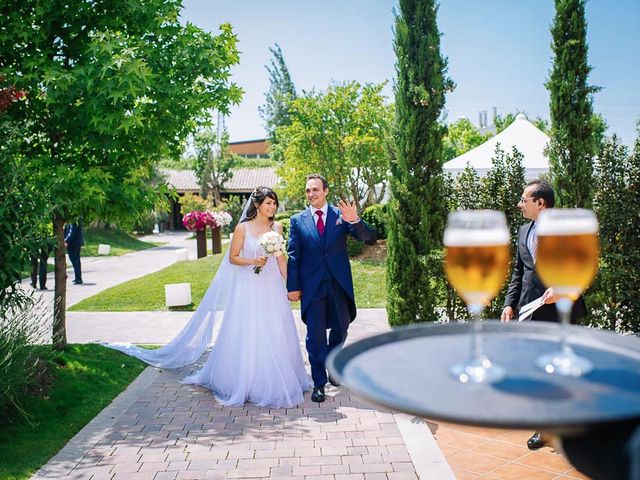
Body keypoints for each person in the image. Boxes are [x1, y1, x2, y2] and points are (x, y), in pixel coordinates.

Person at [104, 187, 310, 409]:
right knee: (250, 330)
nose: (272, 207)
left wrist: (290, 285)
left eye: (274, 203)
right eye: (268, 203)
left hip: (271, 287)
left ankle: (277, 377)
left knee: (275, 329)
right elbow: (232, 258)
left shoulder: (276, 227)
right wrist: (253, 262)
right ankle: (248, 381)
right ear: (257, 204)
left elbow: (280, 260)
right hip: (249, 287)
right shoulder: (243, 228)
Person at [500, 179, 587, 450]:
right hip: (530, 310)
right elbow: (519, 272)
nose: (519, 204)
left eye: (524, 200)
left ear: (540, 202)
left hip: (561, 310)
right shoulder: (524, 230)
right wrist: (509, 303)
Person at [287, 174, 376, 403]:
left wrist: (355, 220)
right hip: (312, 287)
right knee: (315, 336)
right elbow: (294, 257)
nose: (311, 194)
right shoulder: (297, 221)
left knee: (341, 328)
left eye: (315, 189)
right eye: (308, 190)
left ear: (325, 191)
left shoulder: (340, 216)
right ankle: (319, 383)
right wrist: (293, 287)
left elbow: (368, 238)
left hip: (339, 283)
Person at [64, 220, 84, 285]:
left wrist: (66, 241)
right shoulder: (77, 218)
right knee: (77, 261)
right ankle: (78, 277)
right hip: (77, 243)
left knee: (75, 260)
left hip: (73, 243)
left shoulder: (73, 220)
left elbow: (71, 232)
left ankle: (78, 278)